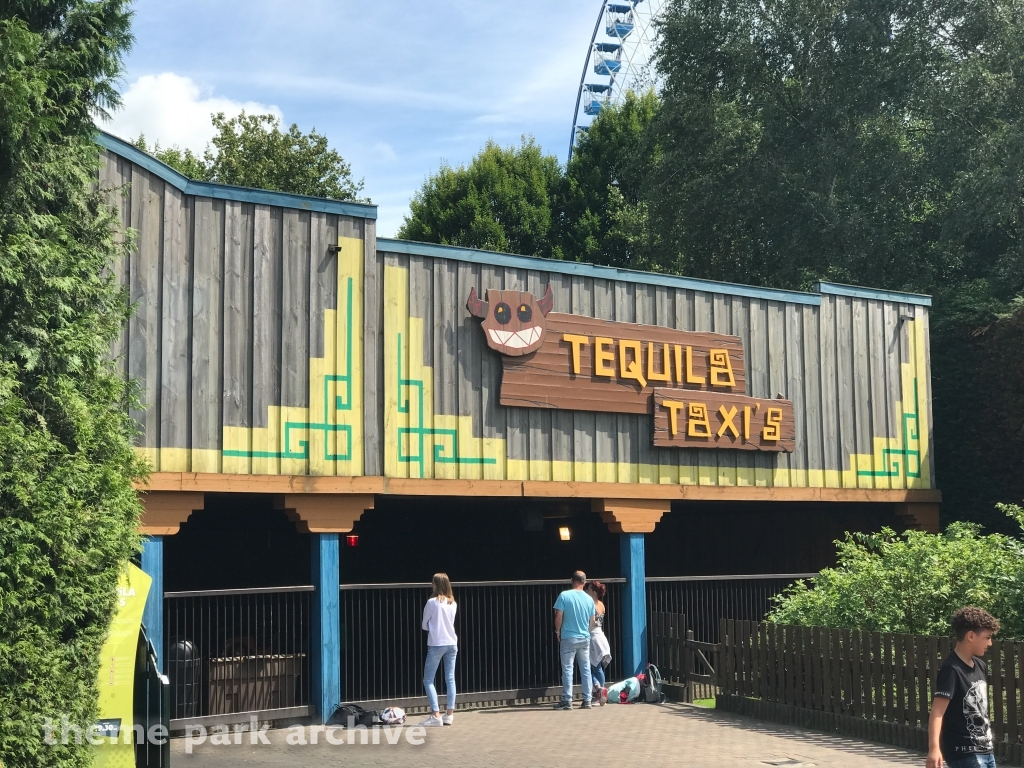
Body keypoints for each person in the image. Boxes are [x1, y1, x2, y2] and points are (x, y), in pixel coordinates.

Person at [927, 606, 1000, 768]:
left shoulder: (980, 666)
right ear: (971, 636)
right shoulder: (952, 669)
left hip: (986, 750)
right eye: (987, 637)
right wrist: (934, 749)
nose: (990, 643)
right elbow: (937, 713)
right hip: (963, 752)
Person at [552, 570, 596, 710]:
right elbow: (592, 620)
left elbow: (558, 615)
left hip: (568, 637)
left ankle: (567, 700)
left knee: (567, 669)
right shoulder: (589, 599)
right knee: (586, 669)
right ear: (584, 582)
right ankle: (587, 700)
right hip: (584, 638)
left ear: (572, 580)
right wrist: (587, 632)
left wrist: (557, 631)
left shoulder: (564, 595)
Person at [420, 573, 458, 727]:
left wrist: (433, 627)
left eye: (433, 582)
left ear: (436, 584)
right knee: (450, 678)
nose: (431, 585)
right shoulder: (452, 603)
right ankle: (449, 714)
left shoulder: (431, 602)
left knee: (428, 679)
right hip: (452, 643)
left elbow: (424, 624)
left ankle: (435, 715)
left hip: (437, 643)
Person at [585, 580, 611, 705]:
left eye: (589, 589)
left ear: (594, 592)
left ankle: (600, 692)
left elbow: (591, 622)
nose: (586, 591)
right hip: (600, 634)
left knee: (593, 666)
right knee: (594, 666)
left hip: (593, 636)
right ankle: (600, 690)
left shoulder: (590, 604)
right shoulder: (601, 604)